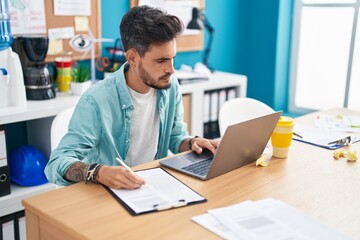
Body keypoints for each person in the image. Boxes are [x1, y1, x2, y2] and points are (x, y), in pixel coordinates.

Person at [45, 5, 220, 190]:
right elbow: (56, 164)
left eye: (172, 58)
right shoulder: (96, 100)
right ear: (132, 58)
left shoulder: (170, 86)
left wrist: (193, 143)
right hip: (108, 194)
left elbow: (175, 137)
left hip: (153, 185)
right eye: (161, 61)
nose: (171, 69)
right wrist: (99, 172)